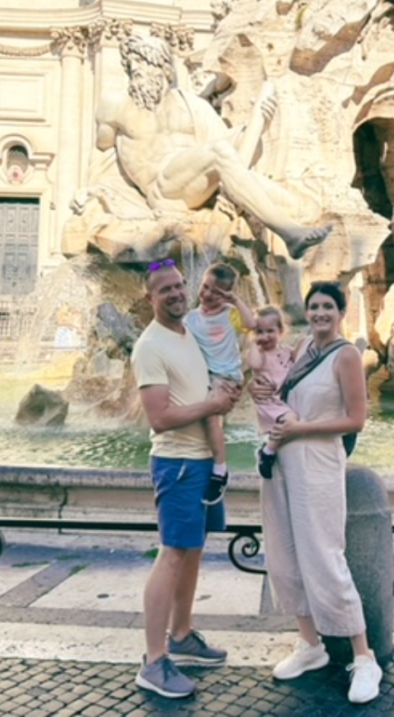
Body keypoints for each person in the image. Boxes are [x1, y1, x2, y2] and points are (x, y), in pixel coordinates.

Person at [251, 281, 383, 705]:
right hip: (283, 463)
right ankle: (310, 645)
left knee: (325, 554)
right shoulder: (302, 348)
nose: (321, 313)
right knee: (285, 554)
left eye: (328, 306)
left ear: (341, 312)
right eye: (314, 306)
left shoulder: (346, 355)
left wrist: (300, 429)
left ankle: (364, 656)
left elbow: (356, 419)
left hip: (319, 463)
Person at [94, 32, 330, 260]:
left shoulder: (192, 105)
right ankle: (289, 233)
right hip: (162, 189)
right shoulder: (115, 104)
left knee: (292, 202)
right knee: (221, 151)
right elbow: (103, 154)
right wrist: (95, 194)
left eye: (145, 61)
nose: (136, 68)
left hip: (195, 184)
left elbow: (233, 149)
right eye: (132, 62)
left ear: (164, 67)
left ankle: (292, 241)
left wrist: (259, 124)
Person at [132, 259, 241, 700]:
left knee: (192, 551)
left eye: (180, 286)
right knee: (173, 554)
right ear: (150, 297)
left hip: (201, 462)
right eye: (166, 290)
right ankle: (154, 660)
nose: (176, 294)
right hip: (177, 463)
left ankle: (181, 635)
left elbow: (205, 389)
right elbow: (159, 418)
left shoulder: (189, 332)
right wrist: (212, 405)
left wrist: (223, 398)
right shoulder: (149, 346)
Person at [185, 262, 255, 504]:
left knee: (210, 414)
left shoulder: (230, 313)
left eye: (217, 292)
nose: (208, 294)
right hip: (204, 377)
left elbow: (251, 324)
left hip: (226, 378)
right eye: (205, 287)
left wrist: (234, 300)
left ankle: (220, 470)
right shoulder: (191, 318)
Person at [246, 305, 294, 479]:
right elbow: (254, 365)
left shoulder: (288, 352)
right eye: (259, 332)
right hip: (269, 401)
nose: (265, 336)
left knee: (288, 425)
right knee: (290, 420)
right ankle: (267, 451)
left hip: (281, 400)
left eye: (270, 331)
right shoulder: (260, 354)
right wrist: (252, 343)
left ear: (280, 330)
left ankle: (272, 449)